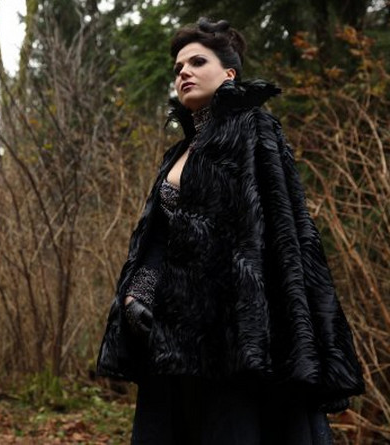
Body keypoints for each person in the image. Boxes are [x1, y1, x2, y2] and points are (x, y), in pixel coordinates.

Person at [96, 18, 364, 445]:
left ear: (230, 73)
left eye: (197, 62)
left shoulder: (255, 130)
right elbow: (159, 237)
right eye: (178, 67)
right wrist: (137, 293)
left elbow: (280, 238)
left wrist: (247, 319)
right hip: (173, 336)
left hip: (236, 334)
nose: (183, 72)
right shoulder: (177, 153)